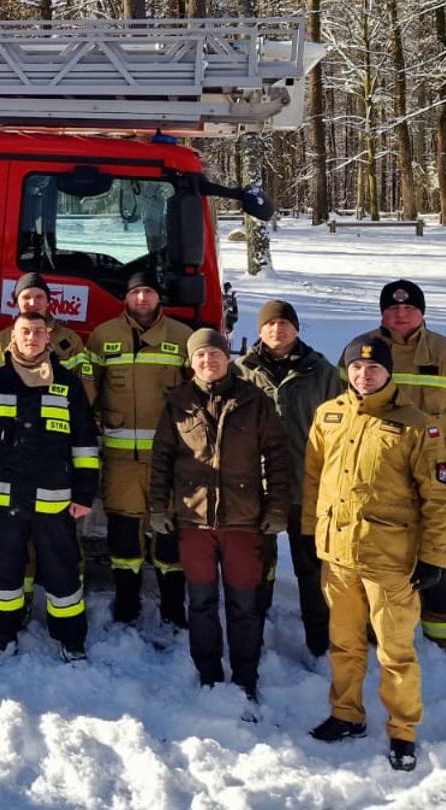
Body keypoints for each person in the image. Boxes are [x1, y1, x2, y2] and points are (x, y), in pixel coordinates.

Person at [304, 337, 446, 772]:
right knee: (345, 644)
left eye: (373, 369)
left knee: (395, 651)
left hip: (389, 558)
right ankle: (346, 714)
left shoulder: (416, 425)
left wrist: (433, 558)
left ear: (388, 373)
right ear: (346, 371)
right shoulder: (328, 415)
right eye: (356, 368)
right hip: (337, 555)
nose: (364, 375)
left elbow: (438, 499)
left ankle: (403, 730)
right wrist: (313, 537)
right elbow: (314, 480)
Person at [149, 328, 293, 699]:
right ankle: (208, 672)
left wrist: (276, 508)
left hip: (243, 520)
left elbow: (277, 456)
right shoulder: (177, 401)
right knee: (201, 602)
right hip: (193, 520)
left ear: (227, 356)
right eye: (200, 356)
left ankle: (246, 676)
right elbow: (162, 457)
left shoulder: (254, 400)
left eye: (214, 354)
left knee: (245, 604)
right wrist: (158, 506)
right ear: (191, 360)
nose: (208, 361)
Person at [350, 279, 446, 657]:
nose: (401, 314)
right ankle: (378, 634)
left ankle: (444, 640)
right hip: (376, 478)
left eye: (409, 308)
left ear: (421, 312)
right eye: (393, 309)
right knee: (378, 557)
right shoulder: (359, 349)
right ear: (382, 313)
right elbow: (343, 413)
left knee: (438, 556)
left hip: (435, 479)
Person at [0, 311, 99, 662]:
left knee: (62, 567)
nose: (32, 337)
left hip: (54, 496)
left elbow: (84, 442)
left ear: (48, 339)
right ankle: (3, 630)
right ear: (13, 338)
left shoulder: (68, 383)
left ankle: (70, 638)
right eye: (25, 331)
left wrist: (85, 493)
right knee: (5, 567)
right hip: (4, 494)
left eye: (38, 332)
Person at [235, 299, 343, 658]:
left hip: (307, 486)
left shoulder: (323, 372)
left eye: (284, 324)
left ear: (296, 329)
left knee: (311, 569)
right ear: (260, 330)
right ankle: (254, 634)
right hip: (257, 487)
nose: (277, 330)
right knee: (257, 567)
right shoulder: (241, 372)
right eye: (269, 324)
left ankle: (319, 642)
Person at [88, 271, 194, 627]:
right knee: (123, 535)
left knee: (168, 535)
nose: (143, 299)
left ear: (158, 298)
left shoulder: (183, 338)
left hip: (169, 459)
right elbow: (91, 393)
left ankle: (173, 608)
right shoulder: (104, 336)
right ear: (126, 298)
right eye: (137, 293)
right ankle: (128, 603)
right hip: (121, 459)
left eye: (149, 292)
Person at [0, 272, 93, 386]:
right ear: (16, 304)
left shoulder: (71, 340)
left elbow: (86, 388)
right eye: (26, 297)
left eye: (39, 297)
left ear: (48, 302)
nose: (32, 303)